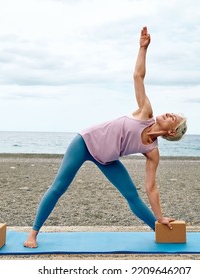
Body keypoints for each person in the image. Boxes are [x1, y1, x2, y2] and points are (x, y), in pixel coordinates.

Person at [23, 26, 187, 248]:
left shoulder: (152, 151)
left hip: (107, 159)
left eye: (172, 118)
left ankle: (159, 230)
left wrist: (160, 216)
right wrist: (142, 48)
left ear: (171, 132)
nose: (168, 113)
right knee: (59, 186)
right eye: (171, 112)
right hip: (84, 142)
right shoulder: (145, 112)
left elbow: (151, 187)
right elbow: (138, 76)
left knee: (132, 195)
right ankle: (33, 233)